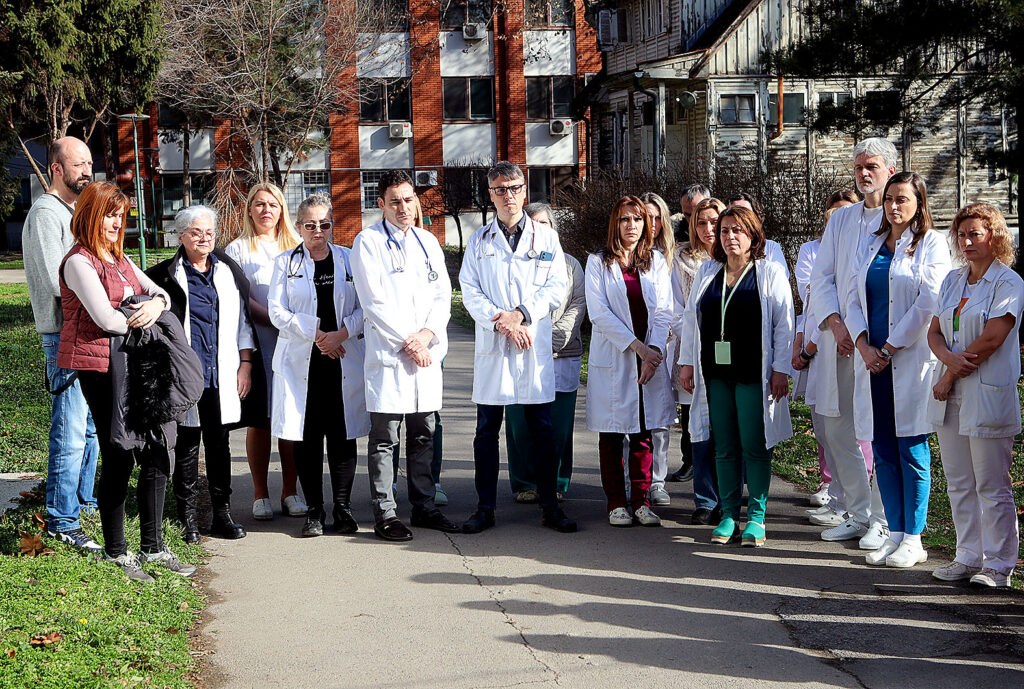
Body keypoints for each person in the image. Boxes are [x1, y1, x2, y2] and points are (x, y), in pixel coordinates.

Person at [58, 181, 195, 581]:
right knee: (118, 453)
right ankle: (117, 552)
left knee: (156, 449)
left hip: (139, 364)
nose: (117, 223)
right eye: (109, 215)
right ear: (90, 216)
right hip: (101, 369)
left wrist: (155, 305)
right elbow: (107, 319)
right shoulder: (79, 262)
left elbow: (161, 294)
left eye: (121, 215)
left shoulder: (119, 258)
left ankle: (153, 548)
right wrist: (150, 314)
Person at [458, 161, 577, 534]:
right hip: (496, 346)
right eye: (499, 189)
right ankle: (485, 509)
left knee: (542, 428)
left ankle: (549, 507)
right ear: (490, 195)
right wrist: (502, 322)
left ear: (524, 191)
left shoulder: (546, 238)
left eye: (513, 188)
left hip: (531, 346)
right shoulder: (479, 241)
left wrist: (521, 315)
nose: (507, 195)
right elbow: (469, 291)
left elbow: (556, 286)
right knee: (486, 431)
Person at [846, 171, 951, 568]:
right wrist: (863, 345)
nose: (893, 206)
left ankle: (914, 538)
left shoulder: (931, 243)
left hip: (907, 360)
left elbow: (929, 302)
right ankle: (893, 533)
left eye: (902, 199)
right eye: (889, 198)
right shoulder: (870, 243)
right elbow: (851, 296)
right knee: (884, 450)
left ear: (919, 203)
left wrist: (888, 348)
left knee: (912, 449)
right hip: (872, 362)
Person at [352, 171, 459, 541]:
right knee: (385, 438)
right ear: (380, 204)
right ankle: (385, 512)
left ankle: (424, 506)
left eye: (409, 199)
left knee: (423, 433)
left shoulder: (428, 241)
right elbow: (373, 302)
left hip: (425, 354)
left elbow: (442, 295)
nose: (403, 207)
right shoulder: (367, 242)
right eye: (395, 201)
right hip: (391, 354)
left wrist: (427, 335)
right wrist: (410, 343)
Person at [679, 206, 793, 547]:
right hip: (715, 373)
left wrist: (781, 369)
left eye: (738, 230)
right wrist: (687, 363)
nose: (730, 236)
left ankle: (756, 518)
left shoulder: (768, 272)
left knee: (754, 443)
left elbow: (784, 324)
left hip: (753, 373)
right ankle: (729, 514)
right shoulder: (708, 270)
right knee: (724, 444)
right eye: (725, 230)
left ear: (753, 235)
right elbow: (691, 318)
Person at [806, 138, 897, 550]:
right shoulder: (842, 219)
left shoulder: (901, 218)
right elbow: (821, 277)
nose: (863, 173)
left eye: (871, 166)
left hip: (880, 344)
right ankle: (857, 512)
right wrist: (835, 323)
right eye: (858, 166)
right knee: (837, 425)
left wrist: (863, 335)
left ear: (891, 170)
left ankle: (882, 518)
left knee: (878, 430)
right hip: (838, 340)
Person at [147, 206, 255, 543]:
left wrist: (246, 363)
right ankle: (188, 519)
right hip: (185, 375)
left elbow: (242, 321)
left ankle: (222, 514)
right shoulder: (163, 276)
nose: (204, 238)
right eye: (196, 232)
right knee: (187, 445)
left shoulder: (227, 271)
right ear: (181, 236)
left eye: (209, 232)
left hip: (222, 372)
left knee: (220, 444)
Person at [928, 203, 1022, 588]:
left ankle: (998, 565)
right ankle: (968, 556)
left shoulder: (1008, 282)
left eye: (975, 234)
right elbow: (935, 331)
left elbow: (993, 338)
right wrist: (946, 359)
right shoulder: (953, 280)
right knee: (958, 481)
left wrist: (950, 372)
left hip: (985, 392)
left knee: (991, 485)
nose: (966, 242)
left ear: (994, 236)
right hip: (951, 392)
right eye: (961, 235)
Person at [267, 193, 369, 537]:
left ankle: (342, 508)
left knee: (343, 435)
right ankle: (315, 511)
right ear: (298, 227)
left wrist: (341, 334)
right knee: (307, 437)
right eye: (310, 225)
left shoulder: (349, 259)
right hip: (303, 361)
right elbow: (276, 311)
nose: (318, 231)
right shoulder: (285, 263)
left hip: (342, 358)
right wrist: (316, 334)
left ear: (332, 225)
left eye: (324, 224)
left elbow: (366, 306)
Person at [21, 136, 101, 550]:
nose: (87, 170)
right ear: (56, 168)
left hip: (88, 331)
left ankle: (83, 503)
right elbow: (59, 280)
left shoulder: (74, 211)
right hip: (62, 333)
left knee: (90, 427)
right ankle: (61, 520)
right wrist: (102, 292)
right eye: (78, 164)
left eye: (89, 163)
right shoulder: (46, 213)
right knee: (70, 429)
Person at [585, 196, 675, 527]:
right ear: (615, 224)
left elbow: (665, 310)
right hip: (617, 358)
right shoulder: (598, 262)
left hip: (649, 359)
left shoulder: (656, 261)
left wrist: (654, 351)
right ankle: (616, 502)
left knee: (643, 434)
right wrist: (639, 349)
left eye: (638, 219)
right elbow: (599, 314)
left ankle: (641, 501)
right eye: (625, 219)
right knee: (611, 435)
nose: (632, 225)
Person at [225, 183, 307, 521]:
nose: (266, 210)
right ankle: (261, 494)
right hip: (258, 341)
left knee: (290, 417)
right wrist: (276, 318)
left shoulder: (297, 245)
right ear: (249, 210)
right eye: (259, 204)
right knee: (260, 420)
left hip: (295, 342)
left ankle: (291, 491)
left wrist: (294, 324)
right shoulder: (239, 248)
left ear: (282, 209)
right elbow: (239, 298)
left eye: (272, 204)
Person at [791, 190, 866, 521]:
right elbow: (812, 297)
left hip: (850, 343)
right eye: (832, 213)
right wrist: (806, 343)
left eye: (845, 212)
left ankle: (851, 503)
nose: (838, 218)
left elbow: (848, 295)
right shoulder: (814, 250)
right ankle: (837, 495)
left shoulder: (864, 245)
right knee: (826, 428)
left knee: (851, 428)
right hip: (821, 340)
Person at [505, 202, 585, 503]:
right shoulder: (514, 263)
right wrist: (527, 337)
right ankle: (525, 482)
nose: (538, 229)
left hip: (561, 353)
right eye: (533, 223)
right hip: (520, 349)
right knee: (520, 424)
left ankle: (557, 482)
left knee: (559, 426)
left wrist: (550, 340)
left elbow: (578, 305)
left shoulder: (570, 264)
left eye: (544, 223)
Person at [669, 197, 725, 524]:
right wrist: (693, 347)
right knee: (699, 429)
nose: (708, 229)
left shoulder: (739, 258)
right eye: (701, 223)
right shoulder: (682, 260)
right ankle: (705, 500)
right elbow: (678, 310)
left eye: (714, 222)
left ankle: (728, 497)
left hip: (731, 357)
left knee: (727, 429)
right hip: (694, 353)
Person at [638, 192, 675, 507]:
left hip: (664, 345)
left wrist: (655, 349)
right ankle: (636, 480)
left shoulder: (670, 256)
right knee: (634, 418)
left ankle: (658, 481)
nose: (651, 223)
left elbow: (667, 310)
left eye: (656, 217)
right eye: (644, 217)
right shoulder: (624, 255)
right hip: (637, 347)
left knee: (660, 417)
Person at [724, 192, 791, 278]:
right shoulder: (722, 249)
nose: (741, 217)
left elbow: (781, 278)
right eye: (735, 212)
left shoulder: (770, 248)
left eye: (746, 212)